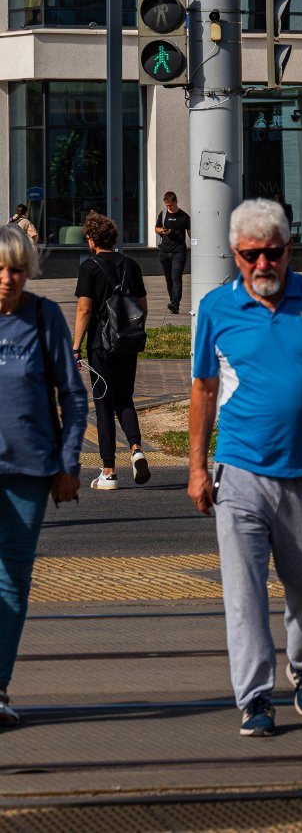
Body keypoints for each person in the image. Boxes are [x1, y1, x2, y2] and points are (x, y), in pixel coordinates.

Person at [188, 198, 302, 738]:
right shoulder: (216, 310)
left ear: (289, 250)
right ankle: (254, 698)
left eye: (273, 253)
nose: (264, 265)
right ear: (235, 254)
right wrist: (197, 468)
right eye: (252, 255)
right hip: (240, 473)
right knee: (243, 595)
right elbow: (201, 390)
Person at [0, 224, 87, 728]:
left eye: (17, 270)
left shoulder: (43, 316)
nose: (8, 279)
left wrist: (68, 464)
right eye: (1, 269)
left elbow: (73, 397)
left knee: (11, 583)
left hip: (29, 470)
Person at [73, 211, 150, 492]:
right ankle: (137, 449)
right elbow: (141, 306)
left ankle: (108, 471)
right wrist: (130, 335)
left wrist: (75, 346)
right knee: (125, 397)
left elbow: (84, 309)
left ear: (92, 240)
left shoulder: (89, 267)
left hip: (100, 346)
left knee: (103, 401)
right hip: (127, 342)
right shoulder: (132, 264)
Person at [154, 191, 191, 315]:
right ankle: (173, 303)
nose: (168, 207)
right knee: (168, 278)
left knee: (176, 276)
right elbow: (156, 228)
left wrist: (196, 247)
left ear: (176, 202)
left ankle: (176, 302)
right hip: (164, 251)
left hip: (179, 251)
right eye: (166, 205)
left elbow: (191, 234)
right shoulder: (163, 214)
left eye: (170, 205)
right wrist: (163, 231)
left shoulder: (184, 216)